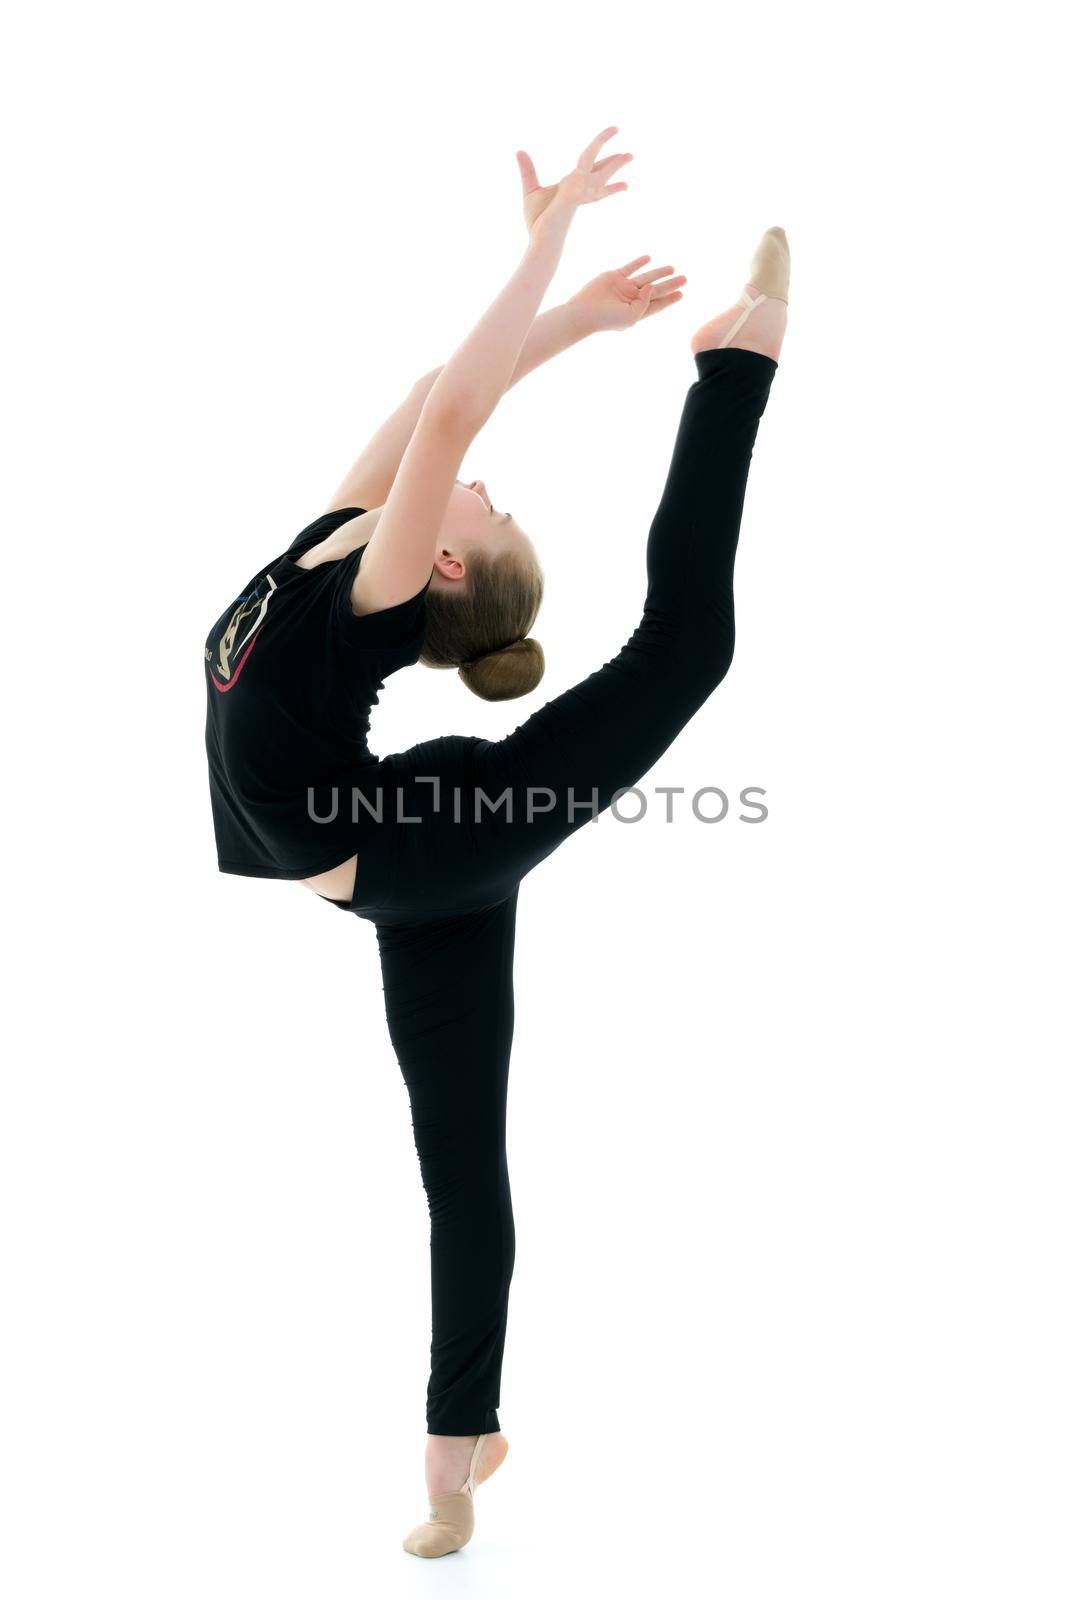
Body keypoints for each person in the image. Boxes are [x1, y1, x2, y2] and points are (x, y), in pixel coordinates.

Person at [203, 124, 789, 1557]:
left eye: (482, 506)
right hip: (418, 837)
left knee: (686, 647)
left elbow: (457, 421)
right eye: (493, 501)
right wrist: (572, 297)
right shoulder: (334, 543)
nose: (478, 481)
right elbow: (438, 402)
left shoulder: (383, 588)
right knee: (460, 1160)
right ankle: (458, 1456)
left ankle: (742, 363)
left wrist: (554, 255)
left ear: (444, 566)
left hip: (432, 841)